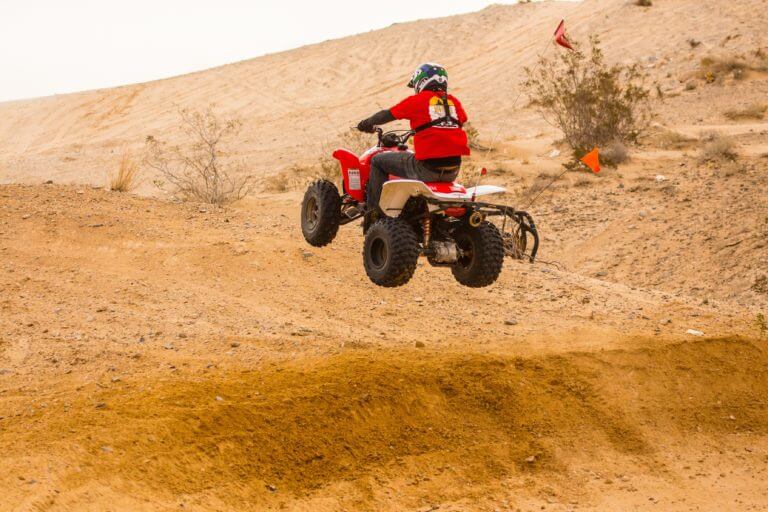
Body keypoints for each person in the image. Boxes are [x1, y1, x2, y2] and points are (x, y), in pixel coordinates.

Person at [357, 63, 470, 224]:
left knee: (377, 161)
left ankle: (374, 215)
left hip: (426, 168)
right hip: (453, 170)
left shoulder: (418, 101)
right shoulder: (455, 103)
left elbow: (387, 114)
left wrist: (367, 123)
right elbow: (459, 122)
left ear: (422, 81)